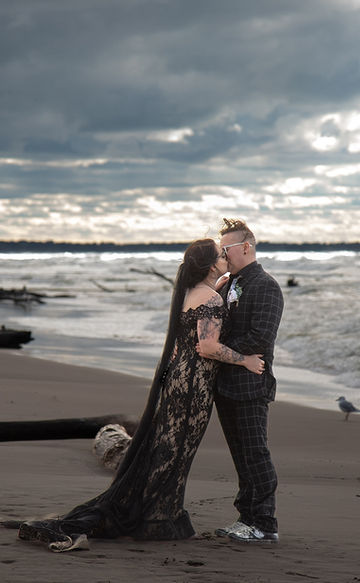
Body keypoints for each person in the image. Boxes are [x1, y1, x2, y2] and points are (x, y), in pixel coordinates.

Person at [9, 238, 265, 552]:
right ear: (211, 265)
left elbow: (182, 346)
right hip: (193, 388)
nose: (225, 256)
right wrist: (246, 360)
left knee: (166, 453)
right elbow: (208, 347)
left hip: (179, 382)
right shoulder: (210, 298)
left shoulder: (191, 293)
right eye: (220, 254)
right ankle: (156, 520)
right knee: (175, 456)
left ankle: (158, 516)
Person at [199, 219, 284, 543]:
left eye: (227, 249)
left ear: (246, 247)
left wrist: (219, 350)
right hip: (225, 383)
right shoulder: (225, 283)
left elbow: (260, 337)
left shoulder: (265, 286)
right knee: (239, 455)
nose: (223, 254)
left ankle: (264, 523)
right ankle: (246, 518)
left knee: (255, 453)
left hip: (251, 384)